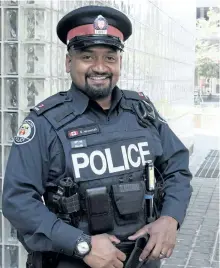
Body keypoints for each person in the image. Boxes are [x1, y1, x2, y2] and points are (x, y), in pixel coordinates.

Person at [2, 5, 193, 268]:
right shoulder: (44, 123)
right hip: (72, 261)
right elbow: (17, 200)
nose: (100, 67)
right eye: (88, 57)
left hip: (142, 260)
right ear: (69, 62)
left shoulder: (141, 111)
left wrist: (171, 218)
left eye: (110, 58)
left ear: (119, 63)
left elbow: (177, 168)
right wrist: (81, 244)